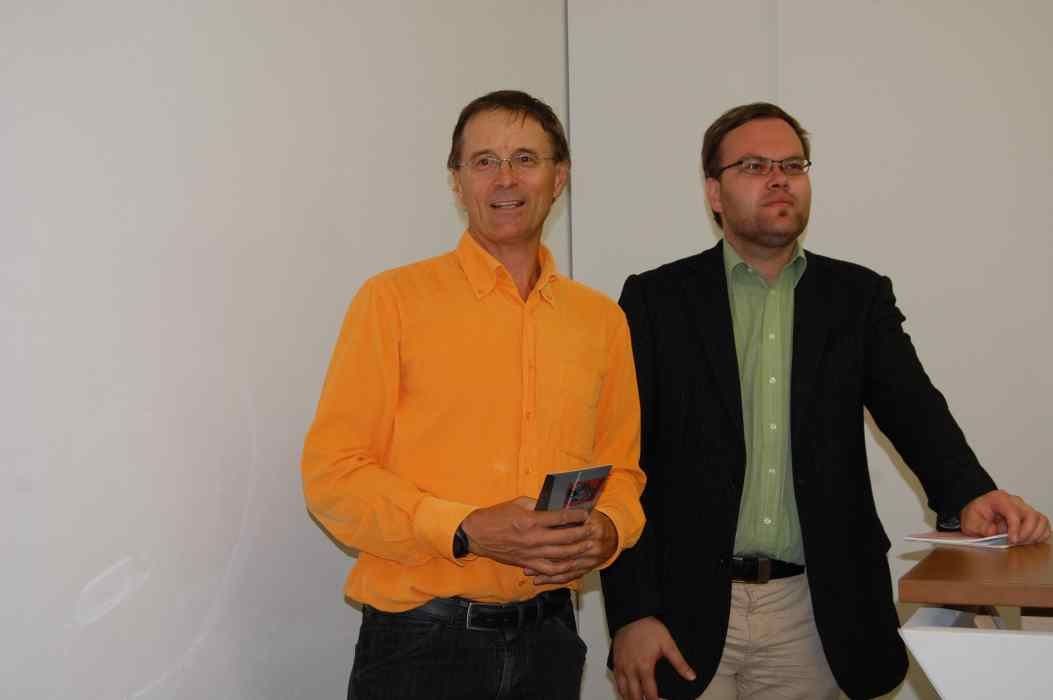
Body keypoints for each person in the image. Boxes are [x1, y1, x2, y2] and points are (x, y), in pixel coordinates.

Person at [600, 102, 1050, 700]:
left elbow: (914, 410)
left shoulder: (856, 298)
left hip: (813, 615)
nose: (779, 179)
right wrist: (632, 613)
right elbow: (618, 460)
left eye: (793, 165)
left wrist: (972, 493)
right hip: (680, 613)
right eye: (754, 166)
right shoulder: (655, 300)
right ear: (714, 192)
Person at [301, 89, 646, 700]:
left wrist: (610, 530)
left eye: (526, 159)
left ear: (559, 177)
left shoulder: (600, 321)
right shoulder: (392, 301)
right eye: (484, 161)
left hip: (550, 640)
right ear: (457, 182)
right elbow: (333, 476)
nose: (505, 178)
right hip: (419, 643)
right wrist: (465, 528)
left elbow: (621, 472)